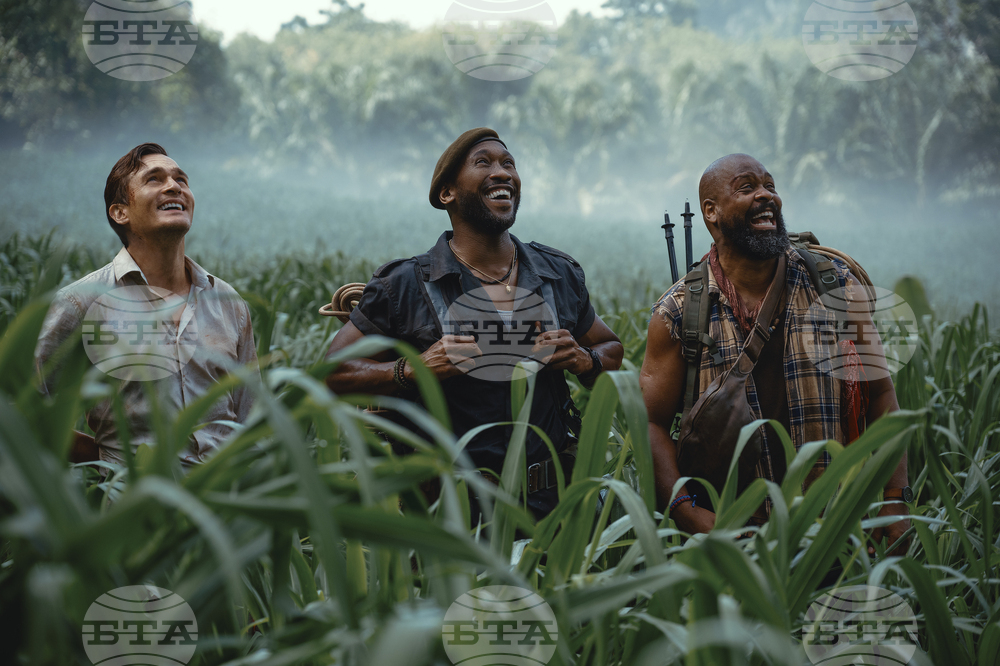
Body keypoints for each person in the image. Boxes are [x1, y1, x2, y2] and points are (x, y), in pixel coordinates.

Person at [324, 127, 623, 519]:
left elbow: (611, 349)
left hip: (552, 509)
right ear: (447, 193)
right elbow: (332, 374)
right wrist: (414, 368)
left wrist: (585, 360)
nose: (503, 173)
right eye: (483, 163)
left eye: (508, 164)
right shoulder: (405, 285)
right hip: (448, 515)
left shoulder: (557, 274)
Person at [640, 153, 910, 554]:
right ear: (711, 212)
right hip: (732, 542)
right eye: (747, 188)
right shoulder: (679, 312)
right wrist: (687, 512)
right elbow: (651, 424)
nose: (767, 196)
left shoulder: (834, 287)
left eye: (770, 186)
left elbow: (881, 395)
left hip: (834, 531)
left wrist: (895, 497)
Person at [35, 143, 259, 468]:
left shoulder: (227, 301)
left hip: (226, 493)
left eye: (181, 180)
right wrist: (106, 463)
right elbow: (26, 409)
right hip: (132, 496)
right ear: (120, 213)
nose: (174, 187)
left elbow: (251, 416)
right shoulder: (83, 301)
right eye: (154, 179)